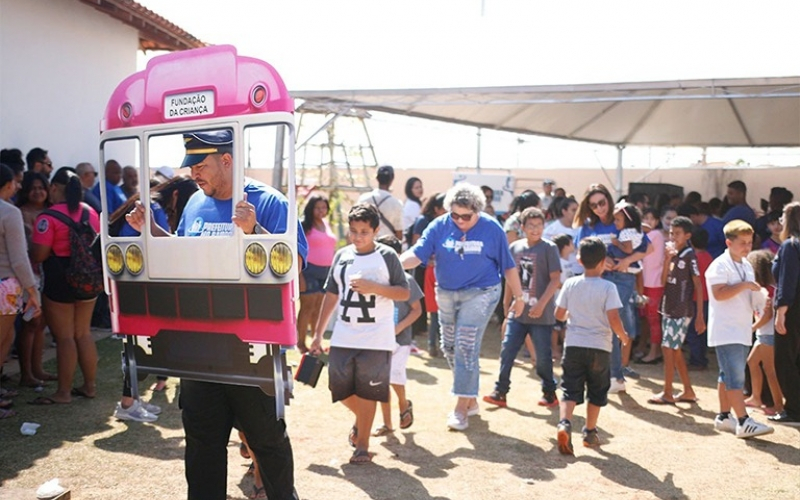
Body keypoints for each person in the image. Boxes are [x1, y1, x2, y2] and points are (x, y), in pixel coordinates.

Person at [126, 130, 307, 499]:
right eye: (191, 165)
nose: (193, 173)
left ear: (227, 161)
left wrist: (254, 231)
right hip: (197, 349)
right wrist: (150, 231)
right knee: (202, 447)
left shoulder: (269, 202)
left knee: (267, 443)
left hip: (251, 351)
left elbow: (295, 267)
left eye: (201, 164)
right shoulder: (195, 202)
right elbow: (183, 256)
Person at [400, 183, 525, 431]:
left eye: (466, 216)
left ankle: (460, 408)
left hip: (482, 292)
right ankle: (470, 398)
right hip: (446, 292)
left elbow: (508, 265)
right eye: (454, 215)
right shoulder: (439, 225)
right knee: (449, 346)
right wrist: (392, 263)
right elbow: (417, 253)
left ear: (477, 211)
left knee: (466, 344)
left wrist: (519, 298)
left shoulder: (492, 228)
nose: (459, 220)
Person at [309, 204, 409, 464]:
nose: (358, 236)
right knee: (338, 387)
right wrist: (318, 334)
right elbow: (331, 295)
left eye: (364, 232)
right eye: (353, 231)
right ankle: (362, 421)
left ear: (376, 230)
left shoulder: (388, 256)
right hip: (344, 335)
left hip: (376, 338)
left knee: (368, 391)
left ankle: (362, 446)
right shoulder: (342, 256)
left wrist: (375, 287)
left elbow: (403, 292)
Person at [30, 167, 99, 406]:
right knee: (84, 333)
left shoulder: (47, 218)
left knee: (65, 337)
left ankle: (64, 392)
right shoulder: (90, 212)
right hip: (89, 279)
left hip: (60, 280)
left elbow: (39, 255)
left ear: (55, 188)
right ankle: (90, 386)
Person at [554, 237, 630, 454]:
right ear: (604, 262)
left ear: (579, 260)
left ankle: (564, 423)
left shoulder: (570, 284)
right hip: (600, 347)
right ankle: (589, 431)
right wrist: (623, 336)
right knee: (597, 390)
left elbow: (558, 314)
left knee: (569, 388)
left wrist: (570, 316)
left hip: (574, 345)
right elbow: (613, 318)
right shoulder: (608, 287)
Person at [574, 185, 650, 395]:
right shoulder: (587, 226)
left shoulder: (622, 219)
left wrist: (626, 260)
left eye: (602, 202)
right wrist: (600, 259)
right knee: (604, 326)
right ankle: (610, 374)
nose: (599, 208)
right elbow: (580, 253)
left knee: (611, 324)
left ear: (609, 199)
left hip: (622, 278)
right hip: (597, 278)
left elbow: (648, 248)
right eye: (593, 205)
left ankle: (616, 376)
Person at [483, 207, 561, 409]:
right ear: (523, 227)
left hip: (541, 314)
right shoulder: (515, 248)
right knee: (507, 350)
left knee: (542, 358)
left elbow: (555, 279)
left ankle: (549, 392)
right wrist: (506, 303)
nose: (535, 229)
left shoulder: (549, 248)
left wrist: (542, 304)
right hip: (518, 312)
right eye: (531, 225)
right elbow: (511, 278)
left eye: (539, 225)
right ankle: (500, 391)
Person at [707, 220, 774, 438]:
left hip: (741, 328)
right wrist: (745, 286)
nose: (747, 247)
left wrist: (760, 299)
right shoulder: (719, 265)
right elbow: (719, 294)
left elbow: (748, 295)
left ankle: (724, 416)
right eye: (742, 243)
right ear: (729, 242)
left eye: (749, 242)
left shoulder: (745, 265)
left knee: (727, 374)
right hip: (727, 329)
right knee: (734, 376)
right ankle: (743, 421)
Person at [647, 217, 704, 405]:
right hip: (668, 307)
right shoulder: (673, 254)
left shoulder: (689, 255)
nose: (673, 237)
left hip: (681, 309)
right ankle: (687, 391)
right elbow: (663, 281)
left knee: (668, 348)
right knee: (674, 349)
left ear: (687, 235)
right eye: (671, 233)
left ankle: (668, 392)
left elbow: (698, 285)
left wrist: (700, 316)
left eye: (677, 233)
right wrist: (667, 259)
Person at [0, 164, 40, 417]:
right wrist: (32, 290)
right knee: (3, 341)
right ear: (7, 185)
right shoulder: (9, 212)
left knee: (7, 339)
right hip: (5, 285)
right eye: (15, 182)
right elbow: (19, 259)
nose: (18, 186)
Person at [372, 235, 422, 437]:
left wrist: (399, 327)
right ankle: (387, 424)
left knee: (394, 376)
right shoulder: (373, 281)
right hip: (378, 339)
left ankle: (403, 404)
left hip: (400, 340)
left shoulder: (407, 281)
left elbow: (417, 310)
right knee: (380, 381)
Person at [15, 172, 53, 388]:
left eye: (41, 187)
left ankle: (37, 369)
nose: (38, 192)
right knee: (30, 323)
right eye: (33, 188)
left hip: (49, 273)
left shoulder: (51, 212)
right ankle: (26, 373)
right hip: (29, 275)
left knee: (41, 323)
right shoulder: (19, 213)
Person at [743, 250, 784, 416]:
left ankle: (778, 406)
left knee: (770, 370)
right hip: (764, 334)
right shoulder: (767, 289)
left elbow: (766, 316)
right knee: (752, 362)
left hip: (768, 335)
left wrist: (751, 328)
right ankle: (756, 397)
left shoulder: (766, 291)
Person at [771, 201, 800, 425]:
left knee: (785, 359)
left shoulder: (791, 246)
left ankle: (794, 409)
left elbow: (787, 281)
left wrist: (781, 311)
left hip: (792, 310)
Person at [297, 194, 336, 353]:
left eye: (324, 207)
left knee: (319, 308)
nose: (321, 211)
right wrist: (299, 275)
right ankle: (300, 343)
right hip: (309, 270)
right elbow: (296, 249)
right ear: (311, 209)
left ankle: (315, 342)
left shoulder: (326, 224)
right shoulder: (304, 225)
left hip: (326, 271)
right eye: (317, 208)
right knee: (307, 307)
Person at [637, 207, 665, 364]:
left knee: (653, 319)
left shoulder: (655, 235)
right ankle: (651, 349)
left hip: (653, 282)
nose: (648, 221)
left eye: (651, 219)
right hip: (647, 281)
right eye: (645, 218)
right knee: (648, 318)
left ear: (657, 221)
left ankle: (654, 352)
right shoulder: (652, 235)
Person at [686, 228, 713, 371]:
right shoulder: (709, 256)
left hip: (696, 299)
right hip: (709, 299)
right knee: (702, 331)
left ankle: (697, 360)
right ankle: (701, 359)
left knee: (693, 331)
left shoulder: (693, 258)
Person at [357, 165, 403, 240]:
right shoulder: (396, 203)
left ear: (377, 178)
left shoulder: (363, 199)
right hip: (388, 244)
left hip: (366, 243)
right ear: (392, 179)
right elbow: (399, 232)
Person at [401, 177, 423, 242]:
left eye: (420, 187)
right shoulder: (412, 205)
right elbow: (418, 224)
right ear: (410, 190)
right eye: (416, 188)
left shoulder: (413, 202)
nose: (420, 189)